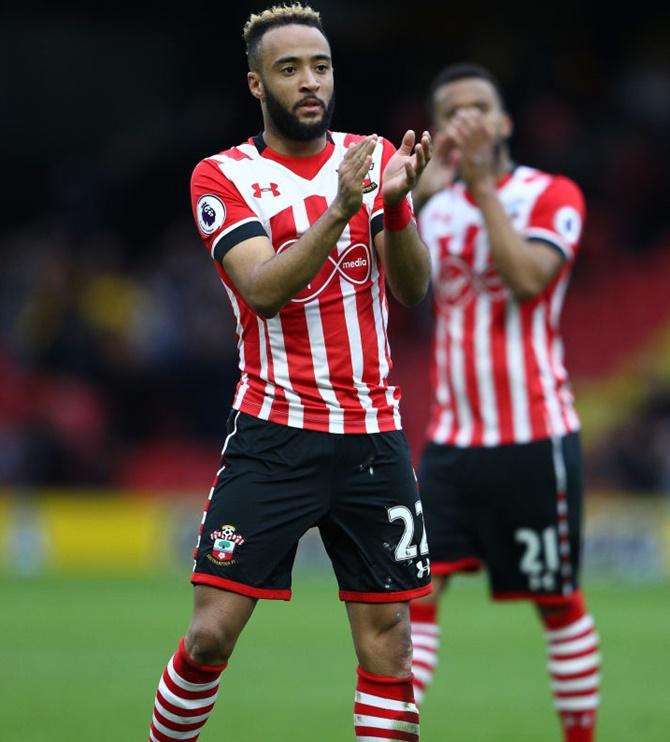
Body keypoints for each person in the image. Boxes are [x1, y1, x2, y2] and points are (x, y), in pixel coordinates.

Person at [146, 5, 433, 741]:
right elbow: (264, 289)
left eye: (321, 67)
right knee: (211, 635)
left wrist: (395, 209)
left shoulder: (372, 157)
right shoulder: (223, 176)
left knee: (389, 641)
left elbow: (412, 289)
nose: (310, 83)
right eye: (290, 69)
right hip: (275, 434)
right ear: (256, 84)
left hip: (373, 436)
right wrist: (341, 210)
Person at [408, 63, 601, 741]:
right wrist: (409, 200)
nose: (467, 119)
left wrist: (484, 191)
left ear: (506, 121)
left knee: (556, 602)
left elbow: (526, 281)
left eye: (479, 107)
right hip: (451, 442)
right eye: (452, 111)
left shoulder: (552, 195)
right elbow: (384, 288)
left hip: (534, 437)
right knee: (416, 596)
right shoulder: (429, 208)